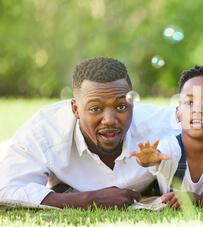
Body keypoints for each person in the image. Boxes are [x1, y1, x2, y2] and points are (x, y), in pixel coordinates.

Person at [0, 57, 178, 209]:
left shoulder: (162, 125)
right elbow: (8, 189)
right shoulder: (44, 133)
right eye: (95, 108)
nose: (109, 119)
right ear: (75, 109)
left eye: (121, 106)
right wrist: (90, 199)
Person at [130, 64, 203, 208]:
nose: (197, 110)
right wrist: (147, 160)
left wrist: (195, 199)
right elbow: (157, 158)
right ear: (178, 113)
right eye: (190, 102)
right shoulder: (170, 148)